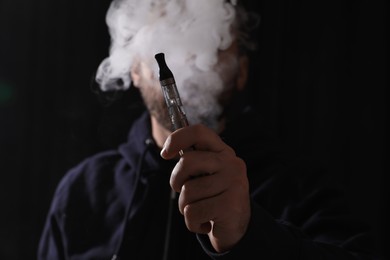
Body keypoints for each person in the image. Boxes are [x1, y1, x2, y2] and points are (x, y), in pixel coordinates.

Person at [38, 0, 382, 259]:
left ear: (242, 71)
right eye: (167, 39)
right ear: (135, 70)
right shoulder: (84, 190)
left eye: (210, 47)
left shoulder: (300, 187)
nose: (186, 60)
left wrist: (250, 235)